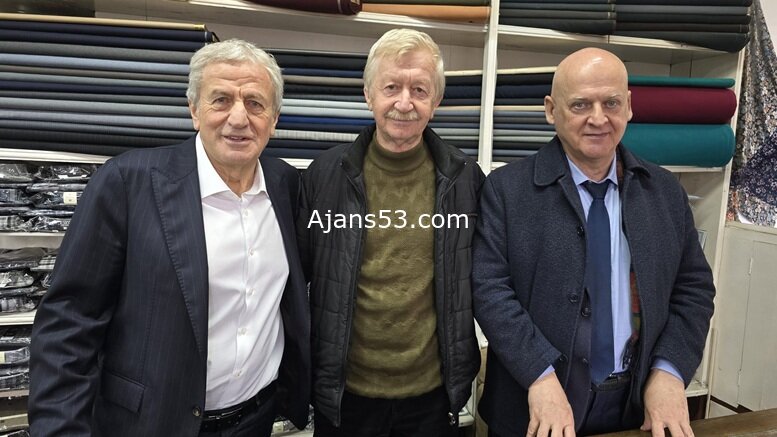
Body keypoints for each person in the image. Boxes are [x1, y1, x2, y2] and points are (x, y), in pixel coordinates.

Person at [28, 39, 310, 437]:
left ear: (274, 119)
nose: (238, 118)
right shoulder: (127, 183)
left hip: (255, 419)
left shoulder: (286, 186)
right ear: (194, 110)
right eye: (221, 100)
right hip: (149, 424)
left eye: (255, 103)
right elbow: (69, 322)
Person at [472, 47, 715, 437]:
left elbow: (694, 289)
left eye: (611, 103)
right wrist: (539, 374)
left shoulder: (665, 192)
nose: (598, 118)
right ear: (551, 110)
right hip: (534, 406)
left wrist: (669, 371)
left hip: (637, 405)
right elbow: (489, 291)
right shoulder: (507, 191)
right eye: (581, 104)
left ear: (629, 107)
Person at [297, 28, 484, 437]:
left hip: (431, 400)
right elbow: (296, 281)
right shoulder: (323, 177)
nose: (404, 102)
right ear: (368, 94)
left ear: (436, 101)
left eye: (419, 90)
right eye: (391, 87)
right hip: (345, 399)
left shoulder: (466, 180)